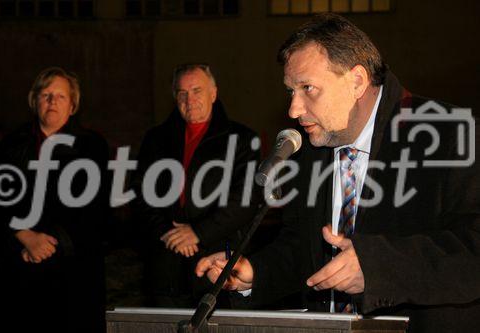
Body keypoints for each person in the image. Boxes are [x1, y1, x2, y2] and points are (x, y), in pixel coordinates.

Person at [196, 13, 480, 333]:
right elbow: (303, 249)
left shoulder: (452, 135)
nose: (293, 109)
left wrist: (377, 267)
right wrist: (255, 272)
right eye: (291, 91)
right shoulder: (314, 149)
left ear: (356, 81)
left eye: (308, 88)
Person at [0, 67, 109, 332]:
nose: (52, 101)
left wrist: (49, 242)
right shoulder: (11, 144)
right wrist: (24, 235)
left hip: (72, 267)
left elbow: (94, 206)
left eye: (60, 96)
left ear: (73, 105)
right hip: (20, 261)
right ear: (35, 100)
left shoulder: (91, 146)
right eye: (46, 94)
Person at [131, 63, 259, 308]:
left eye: (197, 90)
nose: (190, 99)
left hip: (217, 263)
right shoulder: (156, 139)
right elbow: (140, 195)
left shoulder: (242, 139)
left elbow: (244, 201)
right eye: (182, 93)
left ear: (213, 93)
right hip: (165, 264)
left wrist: (197, 233)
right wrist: (171, 234)